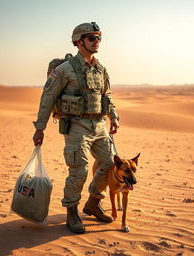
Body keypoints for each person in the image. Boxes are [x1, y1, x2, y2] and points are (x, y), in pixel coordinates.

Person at [33, 22, 119, 233]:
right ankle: (72, 210)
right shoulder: (65, 70)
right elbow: (47, 97)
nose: (97, 41)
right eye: (92, 38)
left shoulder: (101, 69)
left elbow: (106, 94)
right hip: (76, 126)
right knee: (78, 170)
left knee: (109, 164)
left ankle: (93, 202)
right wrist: (40, 127)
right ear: (79, 42)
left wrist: (114, 117)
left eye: (99, 38)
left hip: (99, 125)